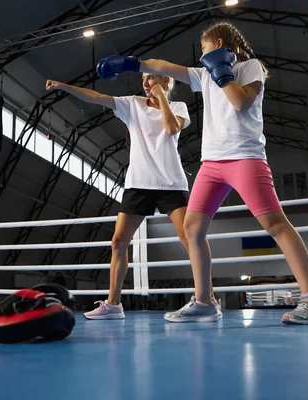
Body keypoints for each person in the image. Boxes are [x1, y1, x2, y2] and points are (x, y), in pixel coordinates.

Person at [94, 21, 308, 325]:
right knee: (193, 230)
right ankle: (205, 301)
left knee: (275, 224)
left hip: (245, 157)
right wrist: (131, 63)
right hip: (211, 164)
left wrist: (222, 73)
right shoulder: (202, 74)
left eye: (205, 49)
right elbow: (166, 66)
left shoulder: (250, 68)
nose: (202, 57)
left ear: (219, 44)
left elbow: (241, 102)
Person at [45, 72, 221, 320]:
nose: (145, 83)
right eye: (144, 79)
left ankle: (209, 300)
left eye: (151, 78)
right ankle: (113, 304)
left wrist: (161, 97)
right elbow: (96, 97)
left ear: (166, 81)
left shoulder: (178, 107)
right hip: (138, 184)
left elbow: (171, 128)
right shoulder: (132, 104)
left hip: (171, 183)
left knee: (191, 238)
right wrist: (65, 85)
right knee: (118, 242)